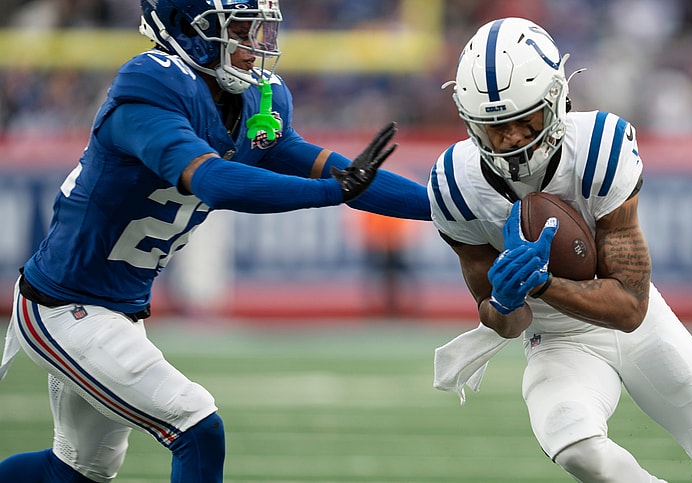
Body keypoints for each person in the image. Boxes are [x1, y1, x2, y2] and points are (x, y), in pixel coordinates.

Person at [0, 0, 430, 482]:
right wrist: (331, 191)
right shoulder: (151, 88)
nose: (254, 46)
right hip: (62, 306)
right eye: (240, 30)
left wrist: (448, 207)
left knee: (74, 474)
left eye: (257, 30)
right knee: (196, 425)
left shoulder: (250, 101)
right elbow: (216, 182)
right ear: (188, 29)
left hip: (117, 306)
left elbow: (343, 173)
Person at [429, 17, 692, 483]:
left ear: (555, 99)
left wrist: (544, 283)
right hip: (556, 339)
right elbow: (506, 324)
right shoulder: (457, 183)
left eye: (522, 120)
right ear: (471, 124)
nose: (511, 138)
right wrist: (505, 300)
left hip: (637, 325)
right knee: (576, 448)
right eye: (496, 127)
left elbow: (632, 307)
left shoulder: (598, 147)